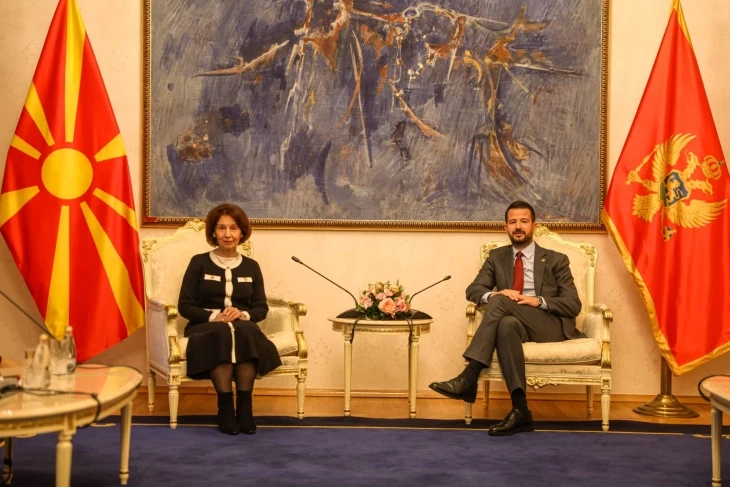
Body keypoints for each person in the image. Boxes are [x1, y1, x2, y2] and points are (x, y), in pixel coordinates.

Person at [429, 200, 583, 436]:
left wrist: (537, 300)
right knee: (505, 323)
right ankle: (521, 411)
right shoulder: (496, 257)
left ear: (534, 226)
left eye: (524, 221)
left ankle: (470, 376)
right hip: (516, 323)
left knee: (500, 302)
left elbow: (573, 304)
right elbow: (473, 290)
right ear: (505, 227)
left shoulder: (556, 259)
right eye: (513, 222)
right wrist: (495, 294)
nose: (518, 226)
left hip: (549, 325)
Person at [178, 203, 281, 435]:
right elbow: (185, 306)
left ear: (242, 232)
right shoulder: (198, 262)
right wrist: (215, 316)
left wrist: (243, 315)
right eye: (221, 228)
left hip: (241, 327)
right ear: (213, 232)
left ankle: (245, 409)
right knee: (223, 332)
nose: (227, 234)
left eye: (233, 228)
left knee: (246, 331)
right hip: (205, 327)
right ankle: (225, 408)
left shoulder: (252, 267)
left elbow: (261, 307)